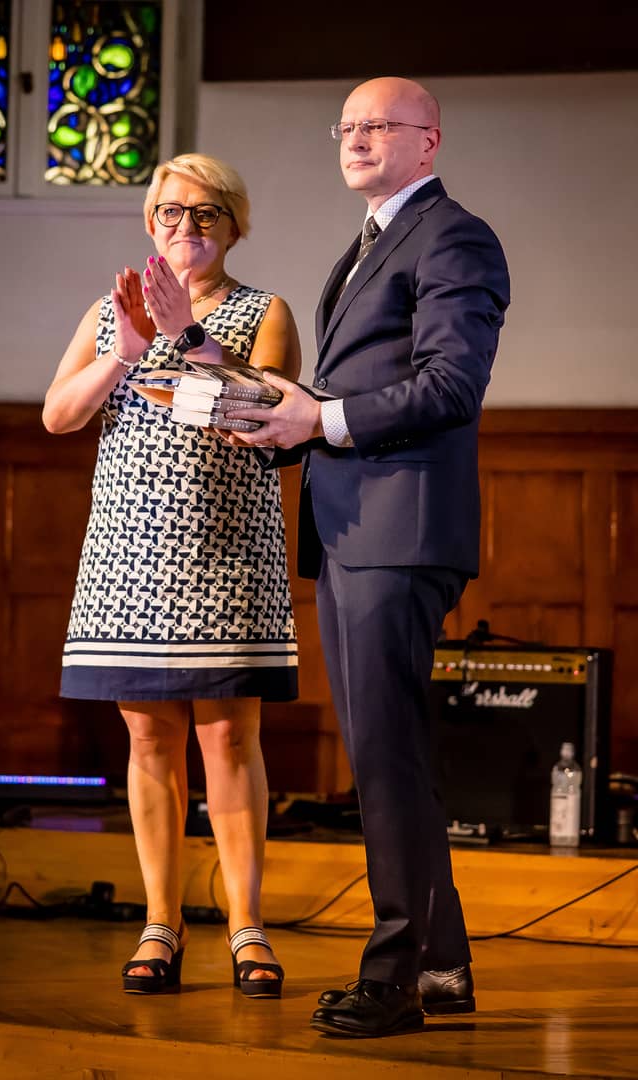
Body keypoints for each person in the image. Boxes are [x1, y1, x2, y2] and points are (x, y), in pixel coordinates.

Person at [227, 77, 511, 1036]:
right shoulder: (367, 245)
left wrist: (320, 419)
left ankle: (391, 978)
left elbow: (451, 384)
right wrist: (276, 419)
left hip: (402, 528)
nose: (355, 138)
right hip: (354, 526)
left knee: (386, 758)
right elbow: (346, 395)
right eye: (345, 126)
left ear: (429, 141)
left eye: (377, 125)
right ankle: (442, 966)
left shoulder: (454, 237)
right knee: (391, 754)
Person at [42, 153, 301, 999]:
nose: (185, 226)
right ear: (150, 224)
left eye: (205, 213)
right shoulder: (108, 311)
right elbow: (58, 415)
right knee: (149, 739)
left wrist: (183, 339)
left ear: (234, 226)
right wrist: (122, 354)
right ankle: (162, 921)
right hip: (131, 556)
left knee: (228, 738)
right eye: (170, 212)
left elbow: (265, 411)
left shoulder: (264, 311)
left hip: (229, 551)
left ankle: (246, 925)